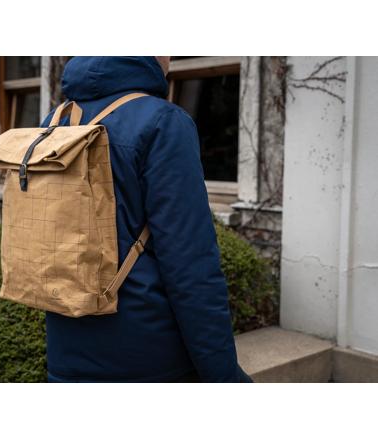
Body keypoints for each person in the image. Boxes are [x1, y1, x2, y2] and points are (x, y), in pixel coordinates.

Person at [41, 56, 252, 383]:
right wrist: (223, 376)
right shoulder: (163, 122)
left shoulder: (56, 121)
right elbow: (192, 266)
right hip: (150, 357)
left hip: (65, 347)